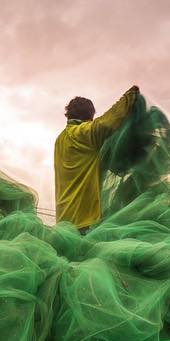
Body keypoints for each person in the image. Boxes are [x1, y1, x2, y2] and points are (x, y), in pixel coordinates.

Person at [54, 85, 139, 232]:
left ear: (68, 115)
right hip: (84, 221)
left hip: (63, 222)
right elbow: (106, 123)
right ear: (90, 117)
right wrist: (129, 97)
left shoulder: (60, 139)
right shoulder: (83, 134)